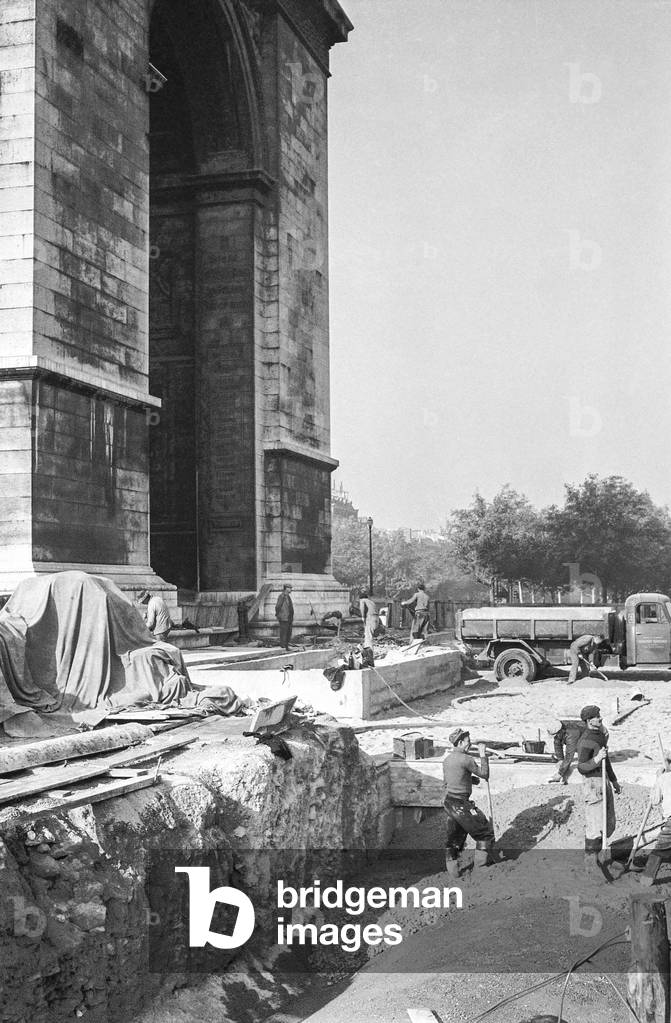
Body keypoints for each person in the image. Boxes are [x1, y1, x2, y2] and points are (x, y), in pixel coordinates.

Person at [442, 727, 495, 879]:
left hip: (449, 802)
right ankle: (481, 866)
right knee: (484, 833)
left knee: (454, 839)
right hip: (461, 805)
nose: (470, 744)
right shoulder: (467, 759)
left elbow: (449, 780)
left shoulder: (447, 760)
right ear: (459, 742)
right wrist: (483, 755)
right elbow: (485, 774)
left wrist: (470, 779)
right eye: (467, 741)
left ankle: (453, 871)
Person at [576, 704, 621, 879]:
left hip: (604, 781)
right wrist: (596, 759)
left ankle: (601, 857)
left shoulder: (600, 735)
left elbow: (606, 760)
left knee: (607, 822)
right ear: (589, 720)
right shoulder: (585, 740)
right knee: (595, 823)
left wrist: (614, 780)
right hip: (593, 784)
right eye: (597, 716)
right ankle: (590, 862)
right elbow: (581, 767)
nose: (600, 718)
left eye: (600, 715)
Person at [638, 753, 671, 886]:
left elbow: (655, 800)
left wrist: (658, 778)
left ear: (667, 764)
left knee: (659, 850)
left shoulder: (663, 778)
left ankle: (646, 879)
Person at [546, 716, 610, 784]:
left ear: (560, 731)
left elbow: (569, 755)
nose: (555, 738)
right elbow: (557, 742)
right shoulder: (560, 728)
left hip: (601, 733)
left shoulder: (571, 734)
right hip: (584, 733)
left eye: (556, 735)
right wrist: (560, 760)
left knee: (585, 755)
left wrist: (560, 774)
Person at [275, 584, 294, 651]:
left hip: (288, 618)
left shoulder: (288, 596)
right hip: (284, 618)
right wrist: (278, 615)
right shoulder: (282, 596)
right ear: (286, 588)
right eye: (290, 588)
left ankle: (286, 646)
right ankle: (283, 647)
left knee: (288, 632)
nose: (291, 589)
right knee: (284, 632)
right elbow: (278, 606)